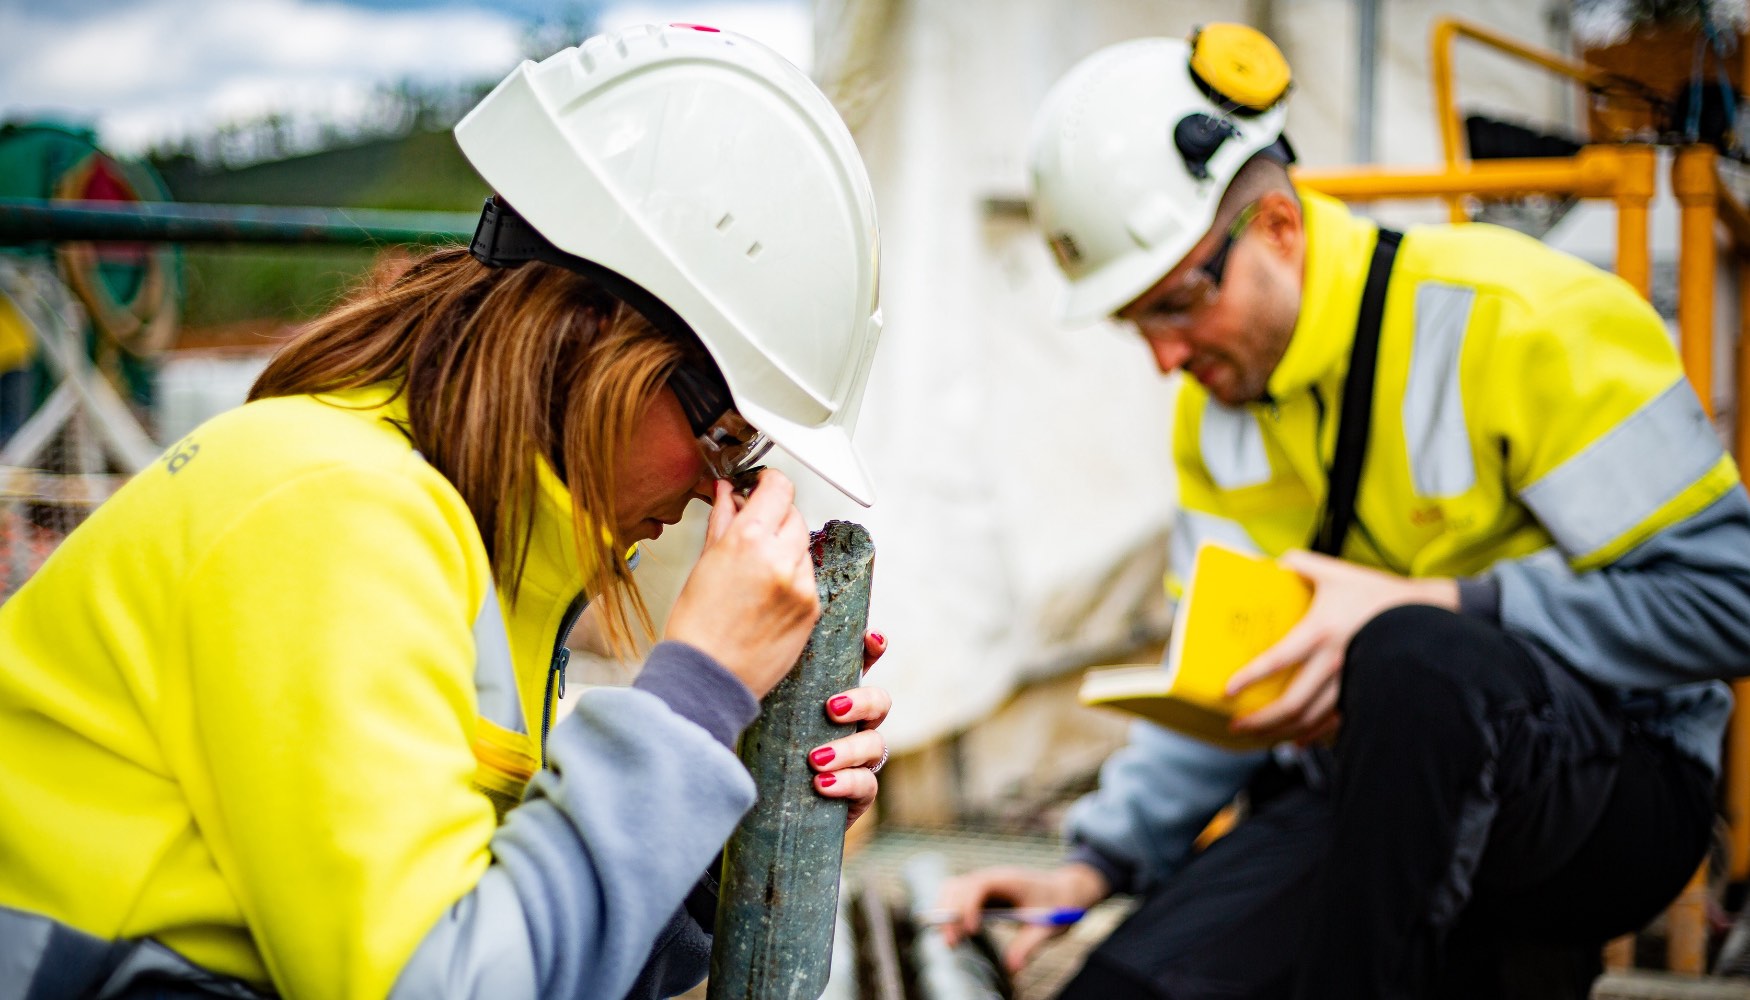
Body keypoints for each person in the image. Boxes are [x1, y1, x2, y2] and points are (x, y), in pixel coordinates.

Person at [0, 24, 890, 1000]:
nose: (713, 491)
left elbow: (531, 952)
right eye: (721, 432)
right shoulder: (334, 514)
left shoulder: (467, 552)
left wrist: (741, 831)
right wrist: (697, 695)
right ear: (598, 333)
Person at [939, 23, 1750, 1000]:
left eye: (1175, 303)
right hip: (1377, 793)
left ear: (1278, 227)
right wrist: (1092, 866)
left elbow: (1728, 601)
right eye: (1134, 322)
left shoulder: (1519, 319)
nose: (1163, 356)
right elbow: (1225, 677)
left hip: (1611, 793)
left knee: (1409, 657)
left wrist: (1447, 606)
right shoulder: (1218, 409)